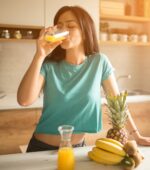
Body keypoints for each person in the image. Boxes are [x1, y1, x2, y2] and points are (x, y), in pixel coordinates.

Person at [17, 6, 150, 152]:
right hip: (41, 148)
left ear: (85, 32)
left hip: (77, 149)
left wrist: (137, 136)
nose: (63, 29)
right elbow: (24, 100)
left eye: (71, 25)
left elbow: (118, 103)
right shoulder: (48, 65)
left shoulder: (99, 62)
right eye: (59, 26)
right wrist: (40, 55)